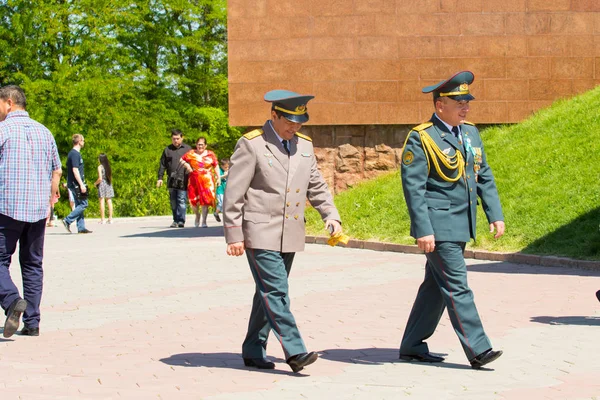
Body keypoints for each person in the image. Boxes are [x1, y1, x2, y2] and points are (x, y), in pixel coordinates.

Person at [224, 90, 343, 373]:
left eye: (299, 122)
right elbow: (234, 192)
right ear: (273, 115)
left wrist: (331, 216)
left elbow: (316, 185)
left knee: (267, 292)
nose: (295, 127)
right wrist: (234, 234)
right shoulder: (252, 144)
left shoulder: (303, 146)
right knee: (276, 291)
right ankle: (295, 350)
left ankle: (253, 348)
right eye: (289, 121)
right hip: (259, 230)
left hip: (289, 232)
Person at [399, 71, 505, 370]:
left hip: (462, 223)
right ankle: (479, 348)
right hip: (439, 225)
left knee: (435, 287)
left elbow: (483, 175)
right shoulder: (422, 138)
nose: (465, 107)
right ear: (439, 105)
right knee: (457, 285)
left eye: (467, 101)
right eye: (458, 102)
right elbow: (414, 188)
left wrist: (494, 214)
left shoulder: (469, 132)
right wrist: (423, 229)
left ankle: (412, 345)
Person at [0, 84, 62, 337]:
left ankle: (12, 301)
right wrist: (50, 199)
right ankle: (33, 323)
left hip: (7, 207)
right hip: (37, 209)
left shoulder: (2, 130)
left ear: (9, 103)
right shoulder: (44, 132)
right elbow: (56, 170)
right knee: (33, 264)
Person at [180, 137, 220, 228]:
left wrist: (218, 178)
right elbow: (181, 159)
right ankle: (197, 215)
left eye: (202, 144)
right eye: (198, 144)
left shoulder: (210, 154)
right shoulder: (191, 153)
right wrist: (187, 165)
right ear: (196, 145)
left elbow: (216, 165)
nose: (200, 146)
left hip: (207, 180)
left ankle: (204, 221)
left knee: (205, 200)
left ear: (205, 145)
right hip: (194, 179)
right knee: (193, 201)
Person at [157, 129, 191, 228]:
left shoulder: (187, 149)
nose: (175, 141)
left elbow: (193, 162)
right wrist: (160, 178)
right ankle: (175, 220)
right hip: (171, 179)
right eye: (173, 139)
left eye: (177, 138)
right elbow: (162, 165)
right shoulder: (167, 150)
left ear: (182, 138)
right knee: (173, 201)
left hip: (183, 179)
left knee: (181, 199)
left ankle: (181, 220)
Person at [62, 134, 92, 234]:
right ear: (79, 141)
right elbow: (75, 170)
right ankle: (67, 220)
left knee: (79, 204)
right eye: (83, 140)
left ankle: (81, 227)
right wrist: (81, 184)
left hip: (74, 183)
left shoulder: (73, 153)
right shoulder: (74, 154)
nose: (84, 142)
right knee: (84, 204)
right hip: (76, 184)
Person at [94, 153, 115, 224]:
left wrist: (95, 183)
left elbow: (100, 178)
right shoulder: (108, 166)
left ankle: (102, 219)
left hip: (102, 184)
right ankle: (110, 218)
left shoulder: (100, 167)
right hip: (108, 183)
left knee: (102, 201)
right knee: (109, 200)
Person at [213, 158, 229, 223]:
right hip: (220, 190)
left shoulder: (229, 171)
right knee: (221, 203)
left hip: (227, 190)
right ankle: (218, 213)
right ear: (222, 166)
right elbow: (217, 177)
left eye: (228, 167)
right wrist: (224, 176)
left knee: (226, 204)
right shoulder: (219, 171)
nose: (227, 168)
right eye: (225, 167)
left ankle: (217, 213)